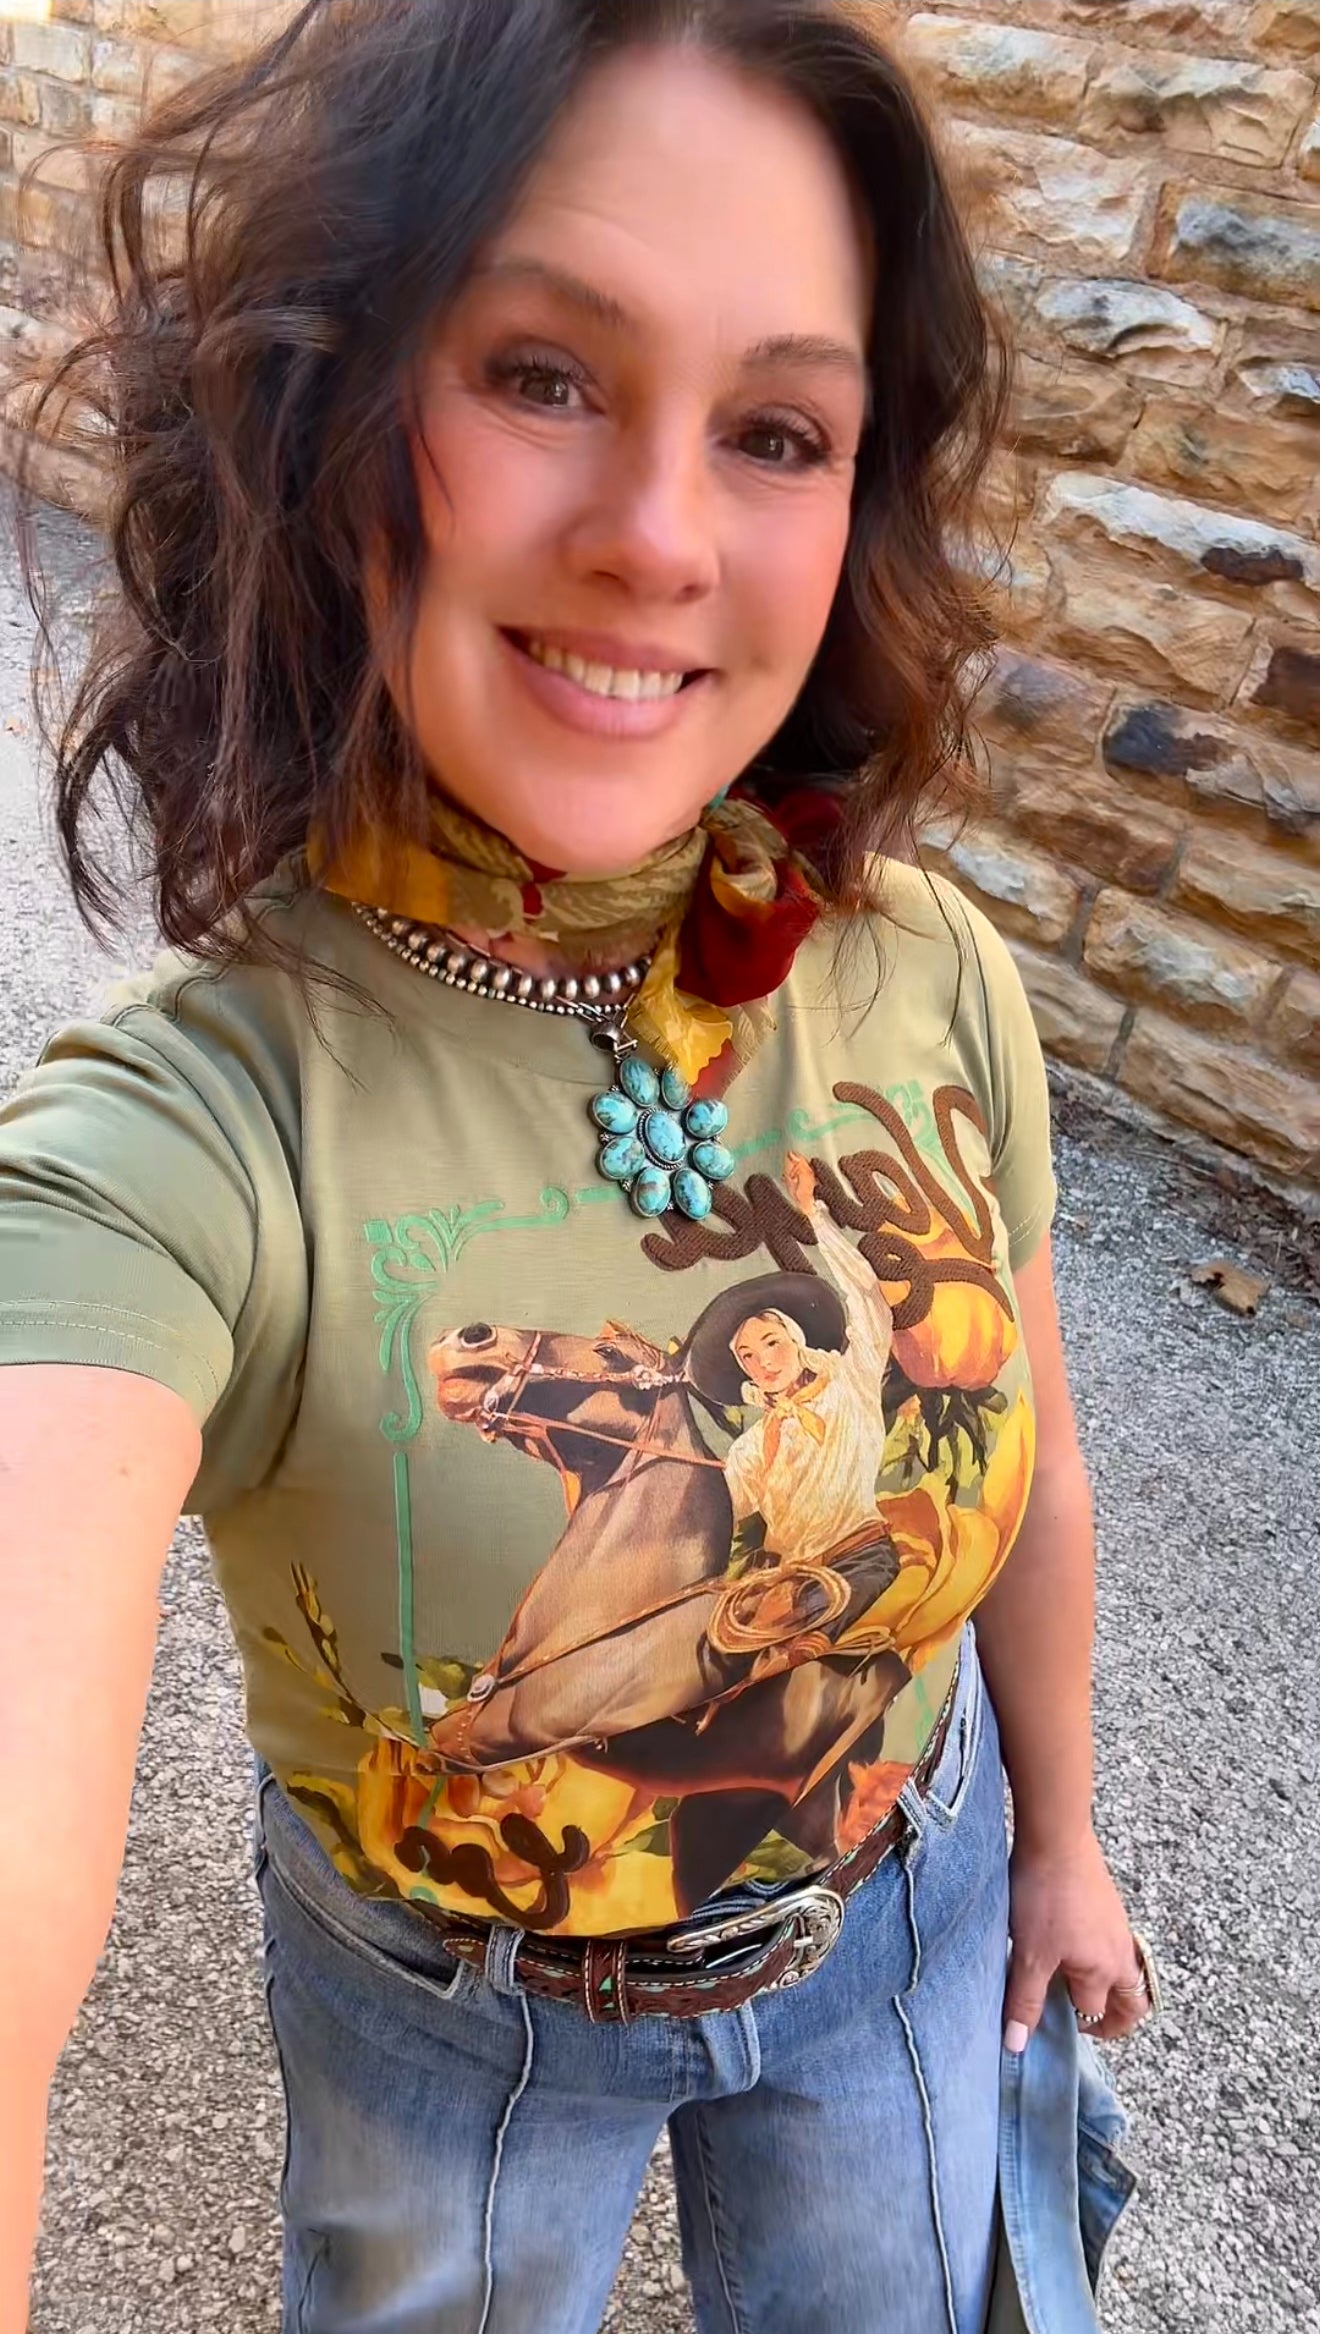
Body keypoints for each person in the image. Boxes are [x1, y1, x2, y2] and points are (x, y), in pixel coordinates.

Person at [0, 3, 1156, 2329]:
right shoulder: (188, 1143)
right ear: (326, 407)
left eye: (776, 430)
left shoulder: (930, 970)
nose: (657, 536)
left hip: (901, 1929)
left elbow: (1029, 1467)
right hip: (456, 2042)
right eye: (541, 374)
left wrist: (1066, 1836)